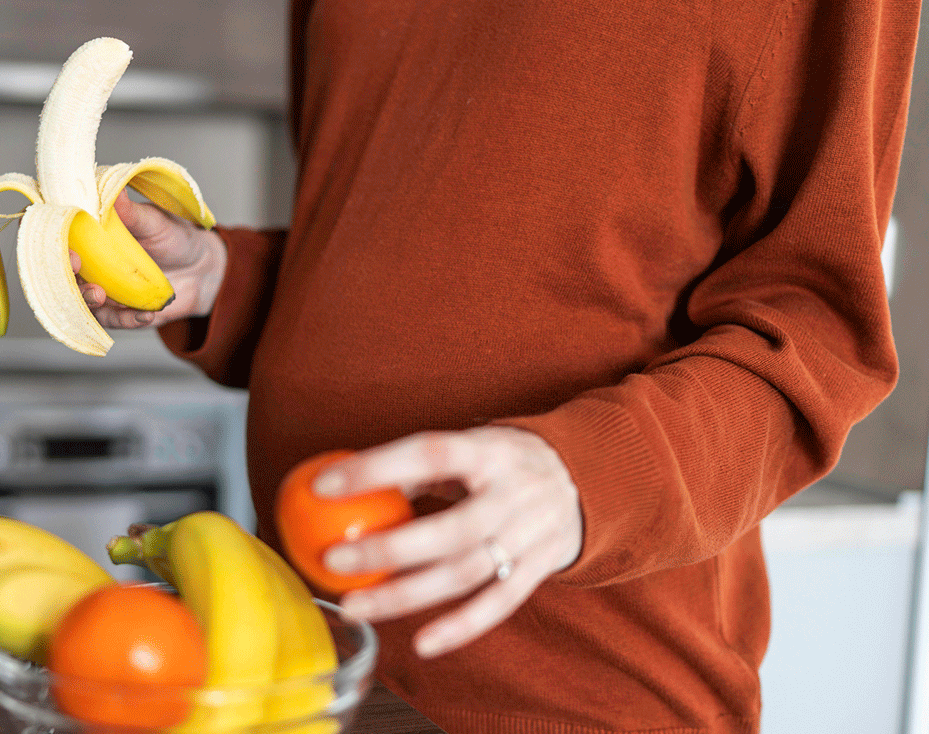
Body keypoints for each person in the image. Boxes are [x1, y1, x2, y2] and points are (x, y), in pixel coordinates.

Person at [75, 0, 920, 731]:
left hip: (578, 697)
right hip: (300, 663)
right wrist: (231, 279)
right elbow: (400, 230)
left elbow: (817, 333)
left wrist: (587, 477)